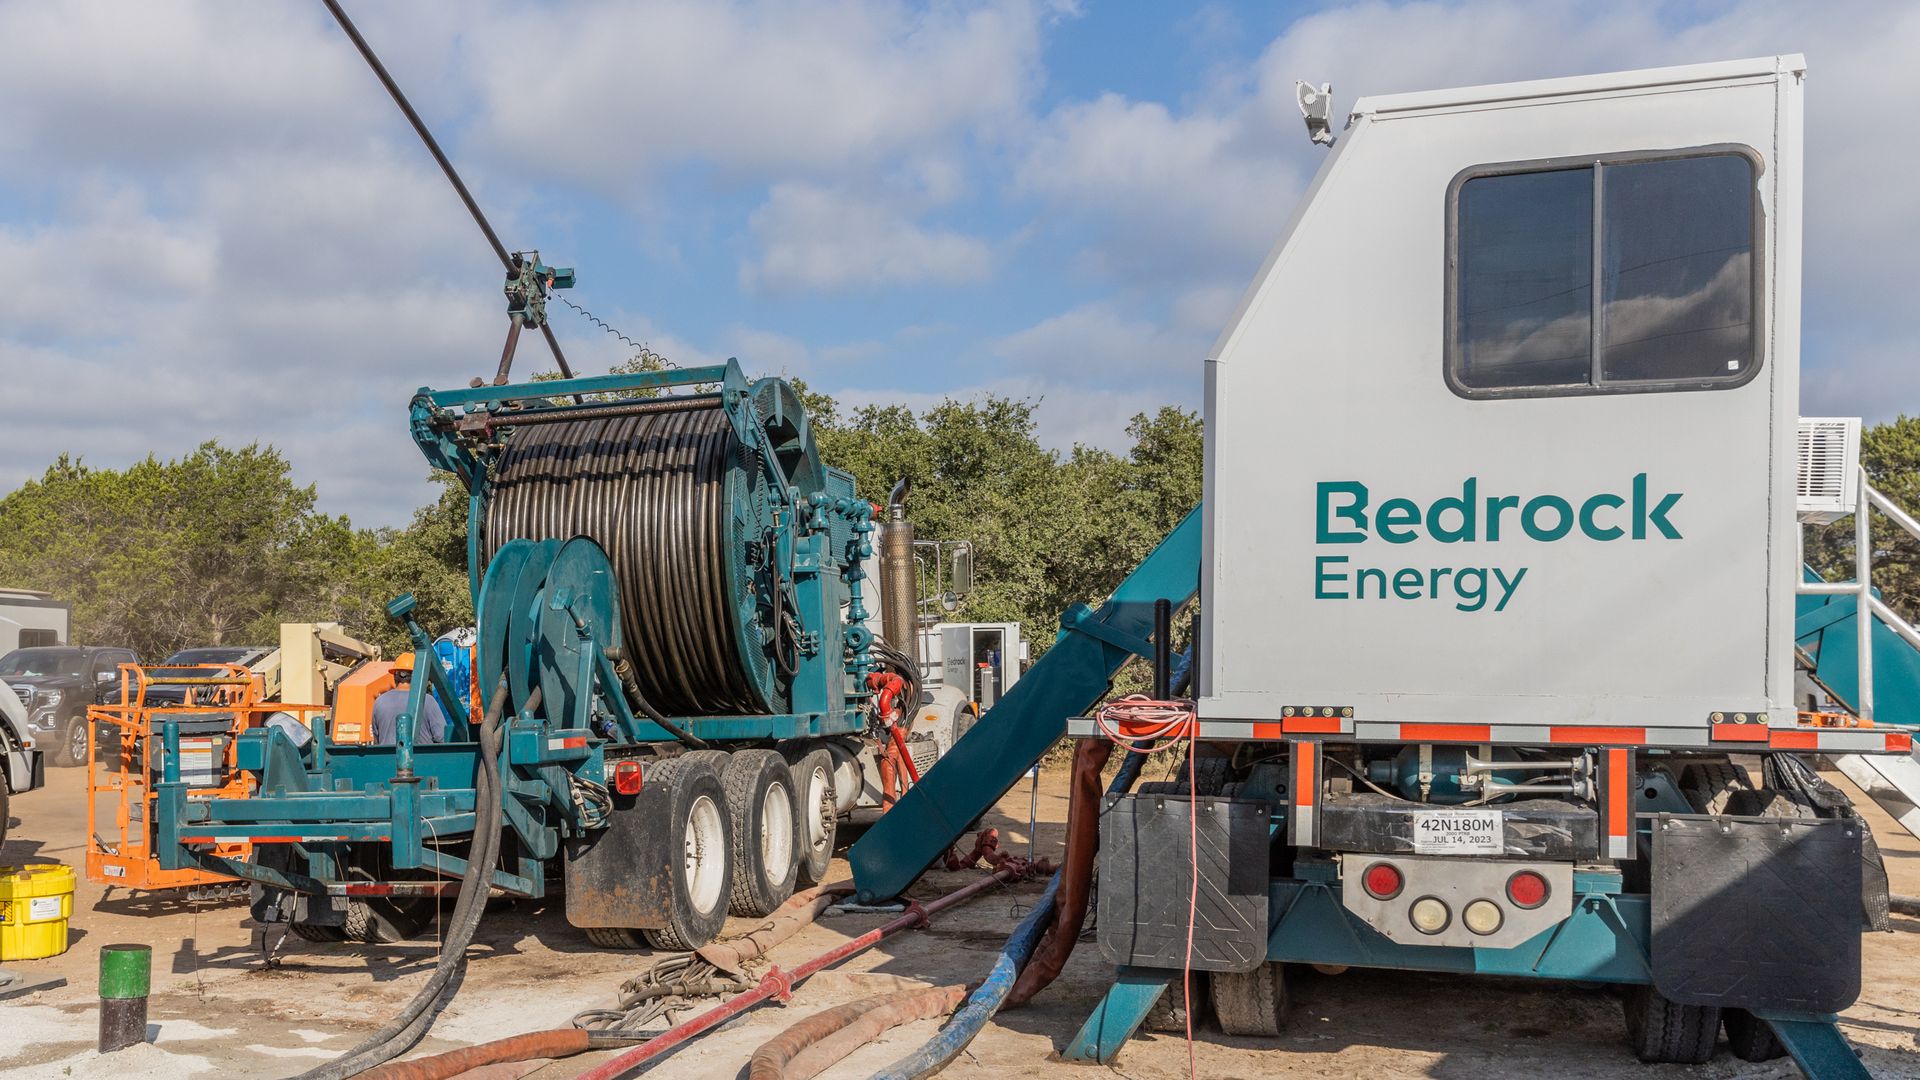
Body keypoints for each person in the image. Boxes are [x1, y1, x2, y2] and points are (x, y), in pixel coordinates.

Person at [371, 654, 448, 746]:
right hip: (421, 759)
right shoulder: (427, 701)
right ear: (418, 676)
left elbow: (377, 739)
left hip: (387, 759)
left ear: (395, 676)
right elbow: (442, 737)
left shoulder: (380, 702)